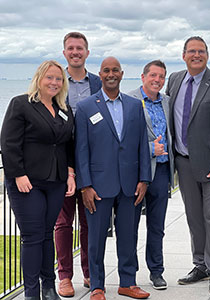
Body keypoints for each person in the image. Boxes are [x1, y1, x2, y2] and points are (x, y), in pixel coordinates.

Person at [74, 57, 151, 300]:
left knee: (128, 236)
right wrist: (84, 185)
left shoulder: (134, 105)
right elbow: (81, 150)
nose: (111, 74)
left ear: (122, 73)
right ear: (100, 73)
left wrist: (144, 179)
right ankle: (97, 285)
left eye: (115, 70)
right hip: (97, 185)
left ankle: (127, 282)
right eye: (106, 70)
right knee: (95, 239)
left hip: (130, 184)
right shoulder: (86, 107)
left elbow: (142, 145)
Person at [1, 60, 75, 300]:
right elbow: (8, 143)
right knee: (32, 237)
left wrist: (71, 174)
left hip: (55, 182)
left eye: (59, 79)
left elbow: (67, 145)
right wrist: (18, 174)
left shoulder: (64, 108)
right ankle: (31, 293)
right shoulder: (21, 104)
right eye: (50, 77)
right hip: (27, 182)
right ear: (39, 79)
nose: (54, 82)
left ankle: (49, 285)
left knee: (46, 234)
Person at [165, 36, 210, 294]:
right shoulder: (174, 80)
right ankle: (201, 265)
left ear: (207, 55)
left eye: (201, 51)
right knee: (194, 217)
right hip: (182, 163)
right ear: (183, 55)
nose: (197, 55)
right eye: (192, 51)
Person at [55, 31, 102, 298]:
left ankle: (89, 272)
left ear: (87, 52)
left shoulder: (96, 83)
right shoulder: (55, 80)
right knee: (63, 223)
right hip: (61, 161)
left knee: (89, 221)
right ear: (65, 53)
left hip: (91, 162)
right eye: (71, 48)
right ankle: (64, 276)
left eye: (80, 48)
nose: (75, 52)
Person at [128, 60, 174, 290]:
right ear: (143, 76)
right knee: (131, 225)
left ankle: (156, 271)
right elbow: (122, 140)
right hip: (136, 173)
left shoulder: (166, 101)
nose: (157, 80)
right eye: (153, 75)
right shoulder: (129, 100)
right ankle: (130, 273)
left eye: (161, 76)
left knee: (157, 226)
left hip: (162, 171)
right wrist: (149, 149)